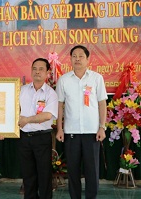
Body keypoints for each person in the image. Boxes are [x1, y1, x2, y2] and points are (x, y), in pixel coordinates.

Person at [55, 45, 107, 199]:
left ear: (87, 59)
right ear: (70, 59)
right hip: (71, 133)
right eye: (74, 56)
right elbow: (59, 105)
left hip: (92, 132)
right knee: (73, 171)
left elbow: (102, 103)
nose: (77, 59)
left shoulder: (96, 78)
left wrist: (102, 127)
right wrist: (59, 129)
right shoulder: (64, 80)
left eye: (81, 56)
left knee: (92, 171)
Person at [18, 58, 58, 199]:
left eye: (41, 69)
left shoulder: (50, 93)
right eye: (34, 68)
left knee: (44, 175)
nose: (37, 72)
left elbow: (47, 115)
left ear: (47, 73)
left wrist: (27, 120)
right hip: (24, 138)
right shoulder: (22, 90)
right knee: (28, 176)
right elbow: (14, 109)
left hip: (42, 138)